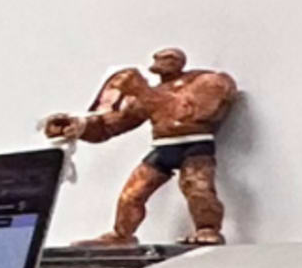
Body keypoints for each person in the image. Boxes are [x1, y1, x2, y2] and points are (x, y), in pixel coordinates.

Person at [46, 45, 239, 244]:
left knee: (198, 188)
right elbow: (115, 124)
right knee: (133, 193)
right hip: (163, 147)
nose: (162, 63)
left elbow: (189, 111)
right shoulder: (151, 94)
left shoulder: (204, 81)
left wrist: (142, 92)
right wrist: (80, 127)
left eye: (169, 58)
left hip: (194, 145)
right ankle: (122, 234)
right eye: (160, 58)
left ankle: (207, 229)